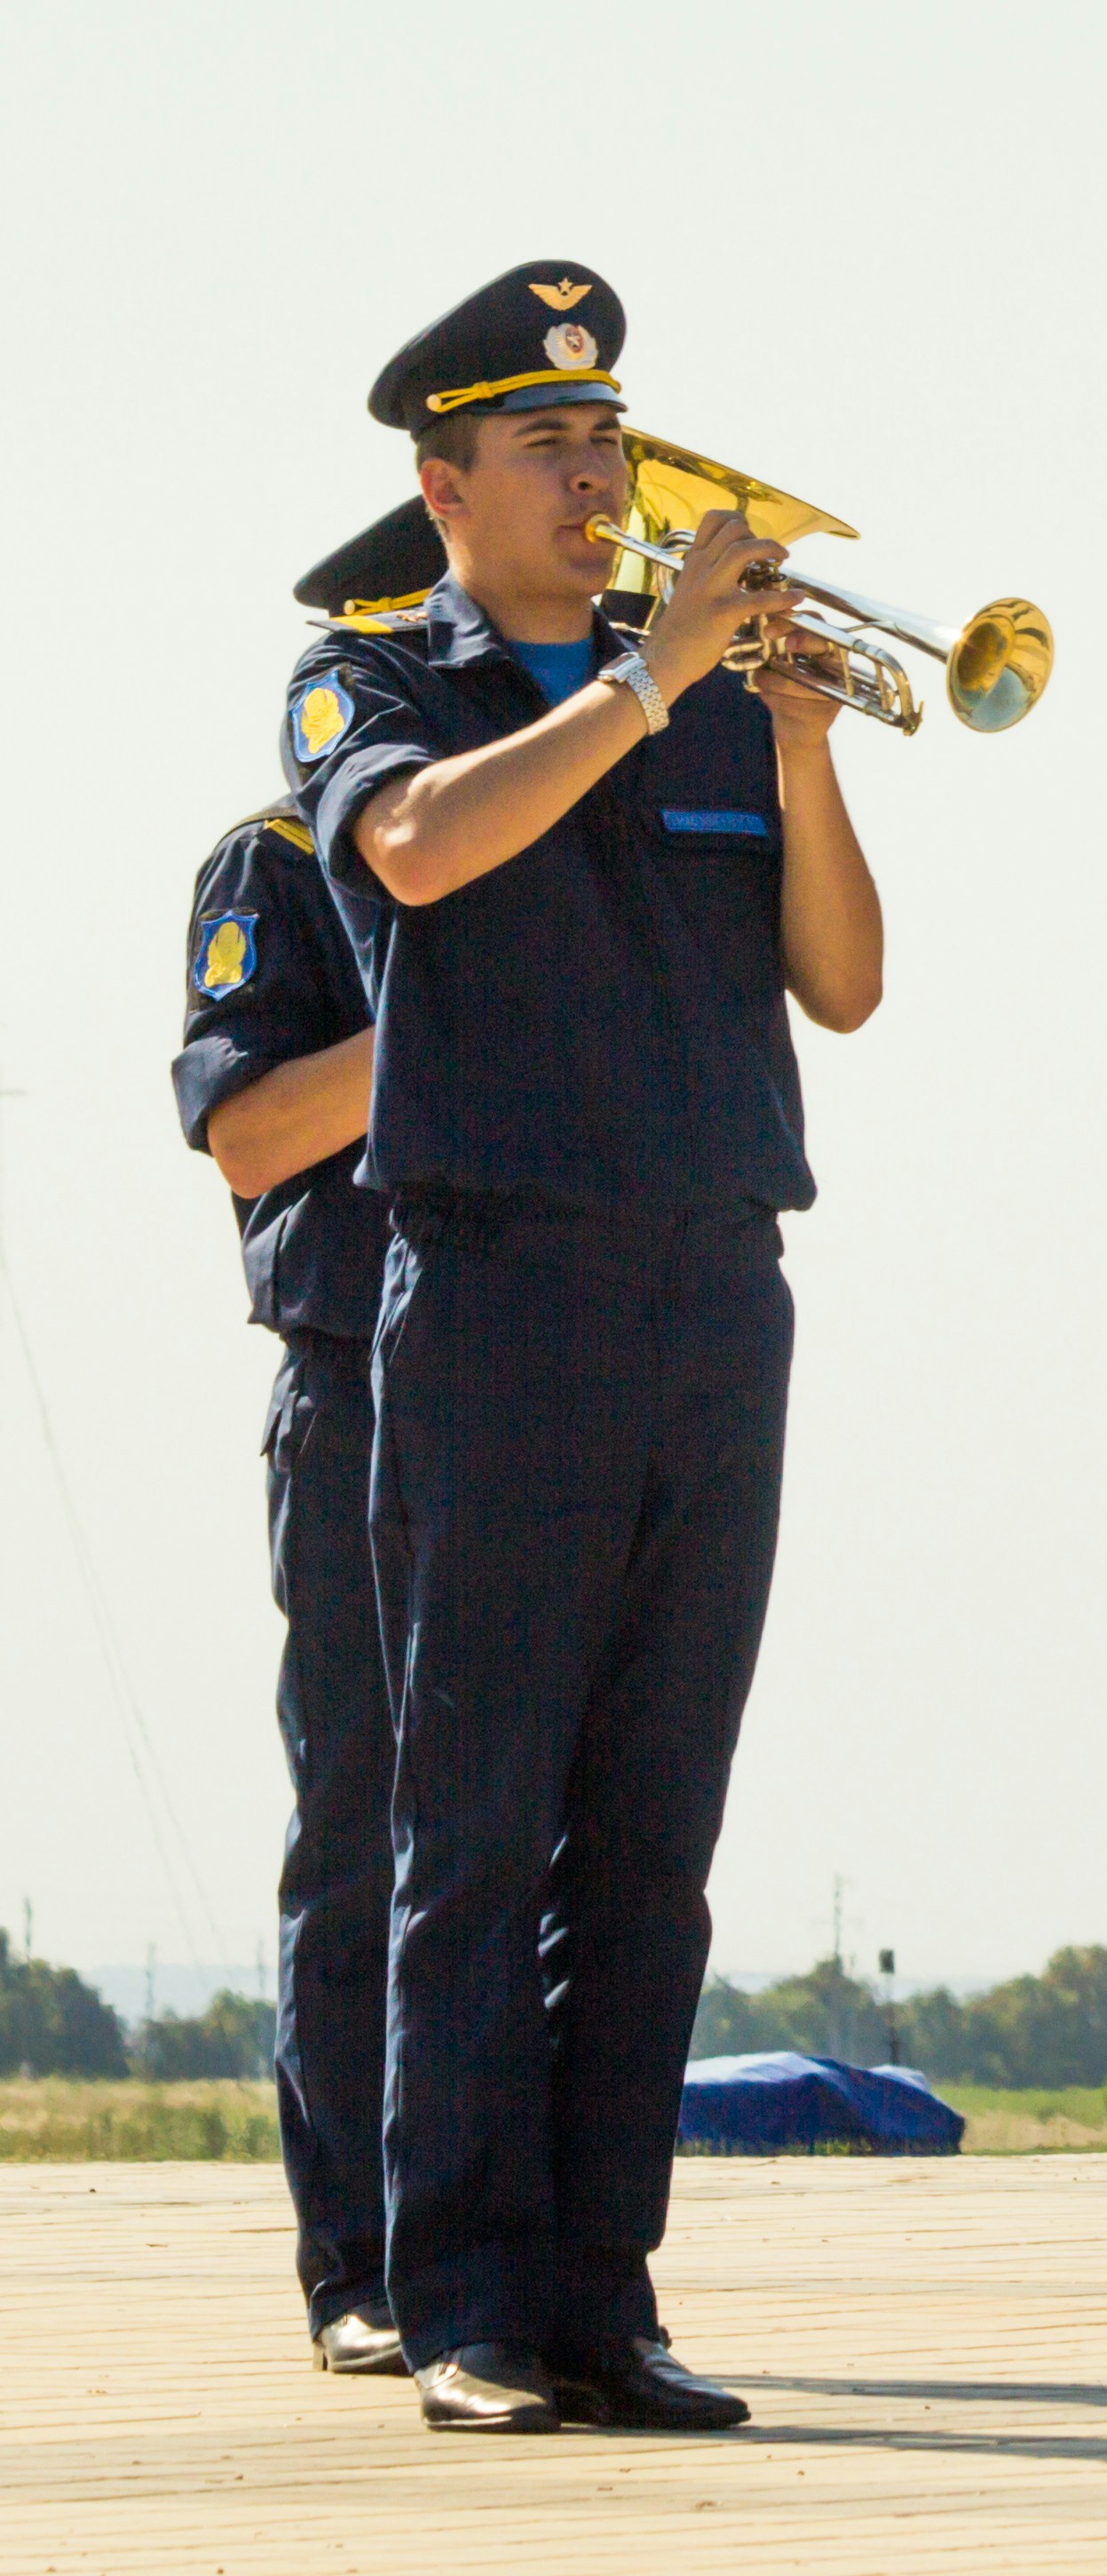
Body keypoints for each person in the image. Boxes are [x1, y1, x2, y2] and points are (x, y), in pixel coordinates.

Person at [286, 262, 887, 2435]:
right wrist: (641, 685)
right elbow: (429, 859)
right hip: (503, 1285)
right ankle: (459, 2303)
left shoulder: (720, 701)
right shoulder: (377, 692)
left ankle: (601, 2291)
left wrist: (802, 751)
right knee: (476, 1816)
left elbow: (844, 986)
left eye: (608, 438)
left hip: (717, 1285)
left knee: (653, 1825)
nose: (597, 472)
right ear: (442, 483)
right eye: (547, 445)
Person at [169, 498, 451, 2384]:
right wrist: (452, 1003)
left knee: (519, 1837)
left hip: (528, 1364)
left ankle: (501, 2250)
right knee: (362, 1829)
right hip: (358, 1371)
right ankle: (355, 2258)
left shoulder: (545, 846)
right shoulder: (274, 861)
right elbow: (248, 1133)